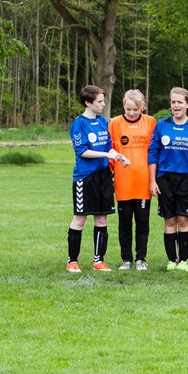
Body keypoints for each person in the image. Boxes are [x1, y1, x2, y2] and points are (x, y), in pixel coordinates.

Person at [67, 85, 129, 272]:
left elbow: (108, 147)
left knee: (102, 219)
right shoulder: (79, 124)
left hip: (104, 177)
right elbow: (83, 152)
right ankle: (72, 261)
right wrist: (106, 156)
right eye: (100, 101)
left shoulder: (103, 122)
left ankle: (98, 261)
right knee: (80, 219)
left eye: (103, 101)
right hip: (85, 178)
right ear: (88, 102)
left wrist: (118, 155)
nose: (103, 104)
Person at [148, 87, 188, 271]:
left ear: (187, 104)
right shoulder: (162, 125)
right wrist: (152, 181)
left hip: (186, 179)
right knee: (169, 220)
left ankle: (183, 260)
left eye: (180, 102)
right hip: (164, 179)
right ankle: (172, 260)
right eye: (173, 102)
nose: (176, 105)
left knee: (183, 220)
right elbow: (153, 154)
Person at [108, 89, 156, 270]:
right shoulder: (114, 123)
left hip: (143, 182)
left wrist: (154, 179)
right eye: (128, 109)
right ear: (123, 106)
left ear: (142, 107)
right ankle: (126, 259)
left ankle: (141, 259)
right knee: (125, 223)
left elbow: (154, 152)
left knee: (143, 223)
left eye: (135, 109)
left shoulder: (151, 122)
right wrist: (112, 175)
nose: (132, 112)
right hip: (123, 182)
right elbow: (110, 150)